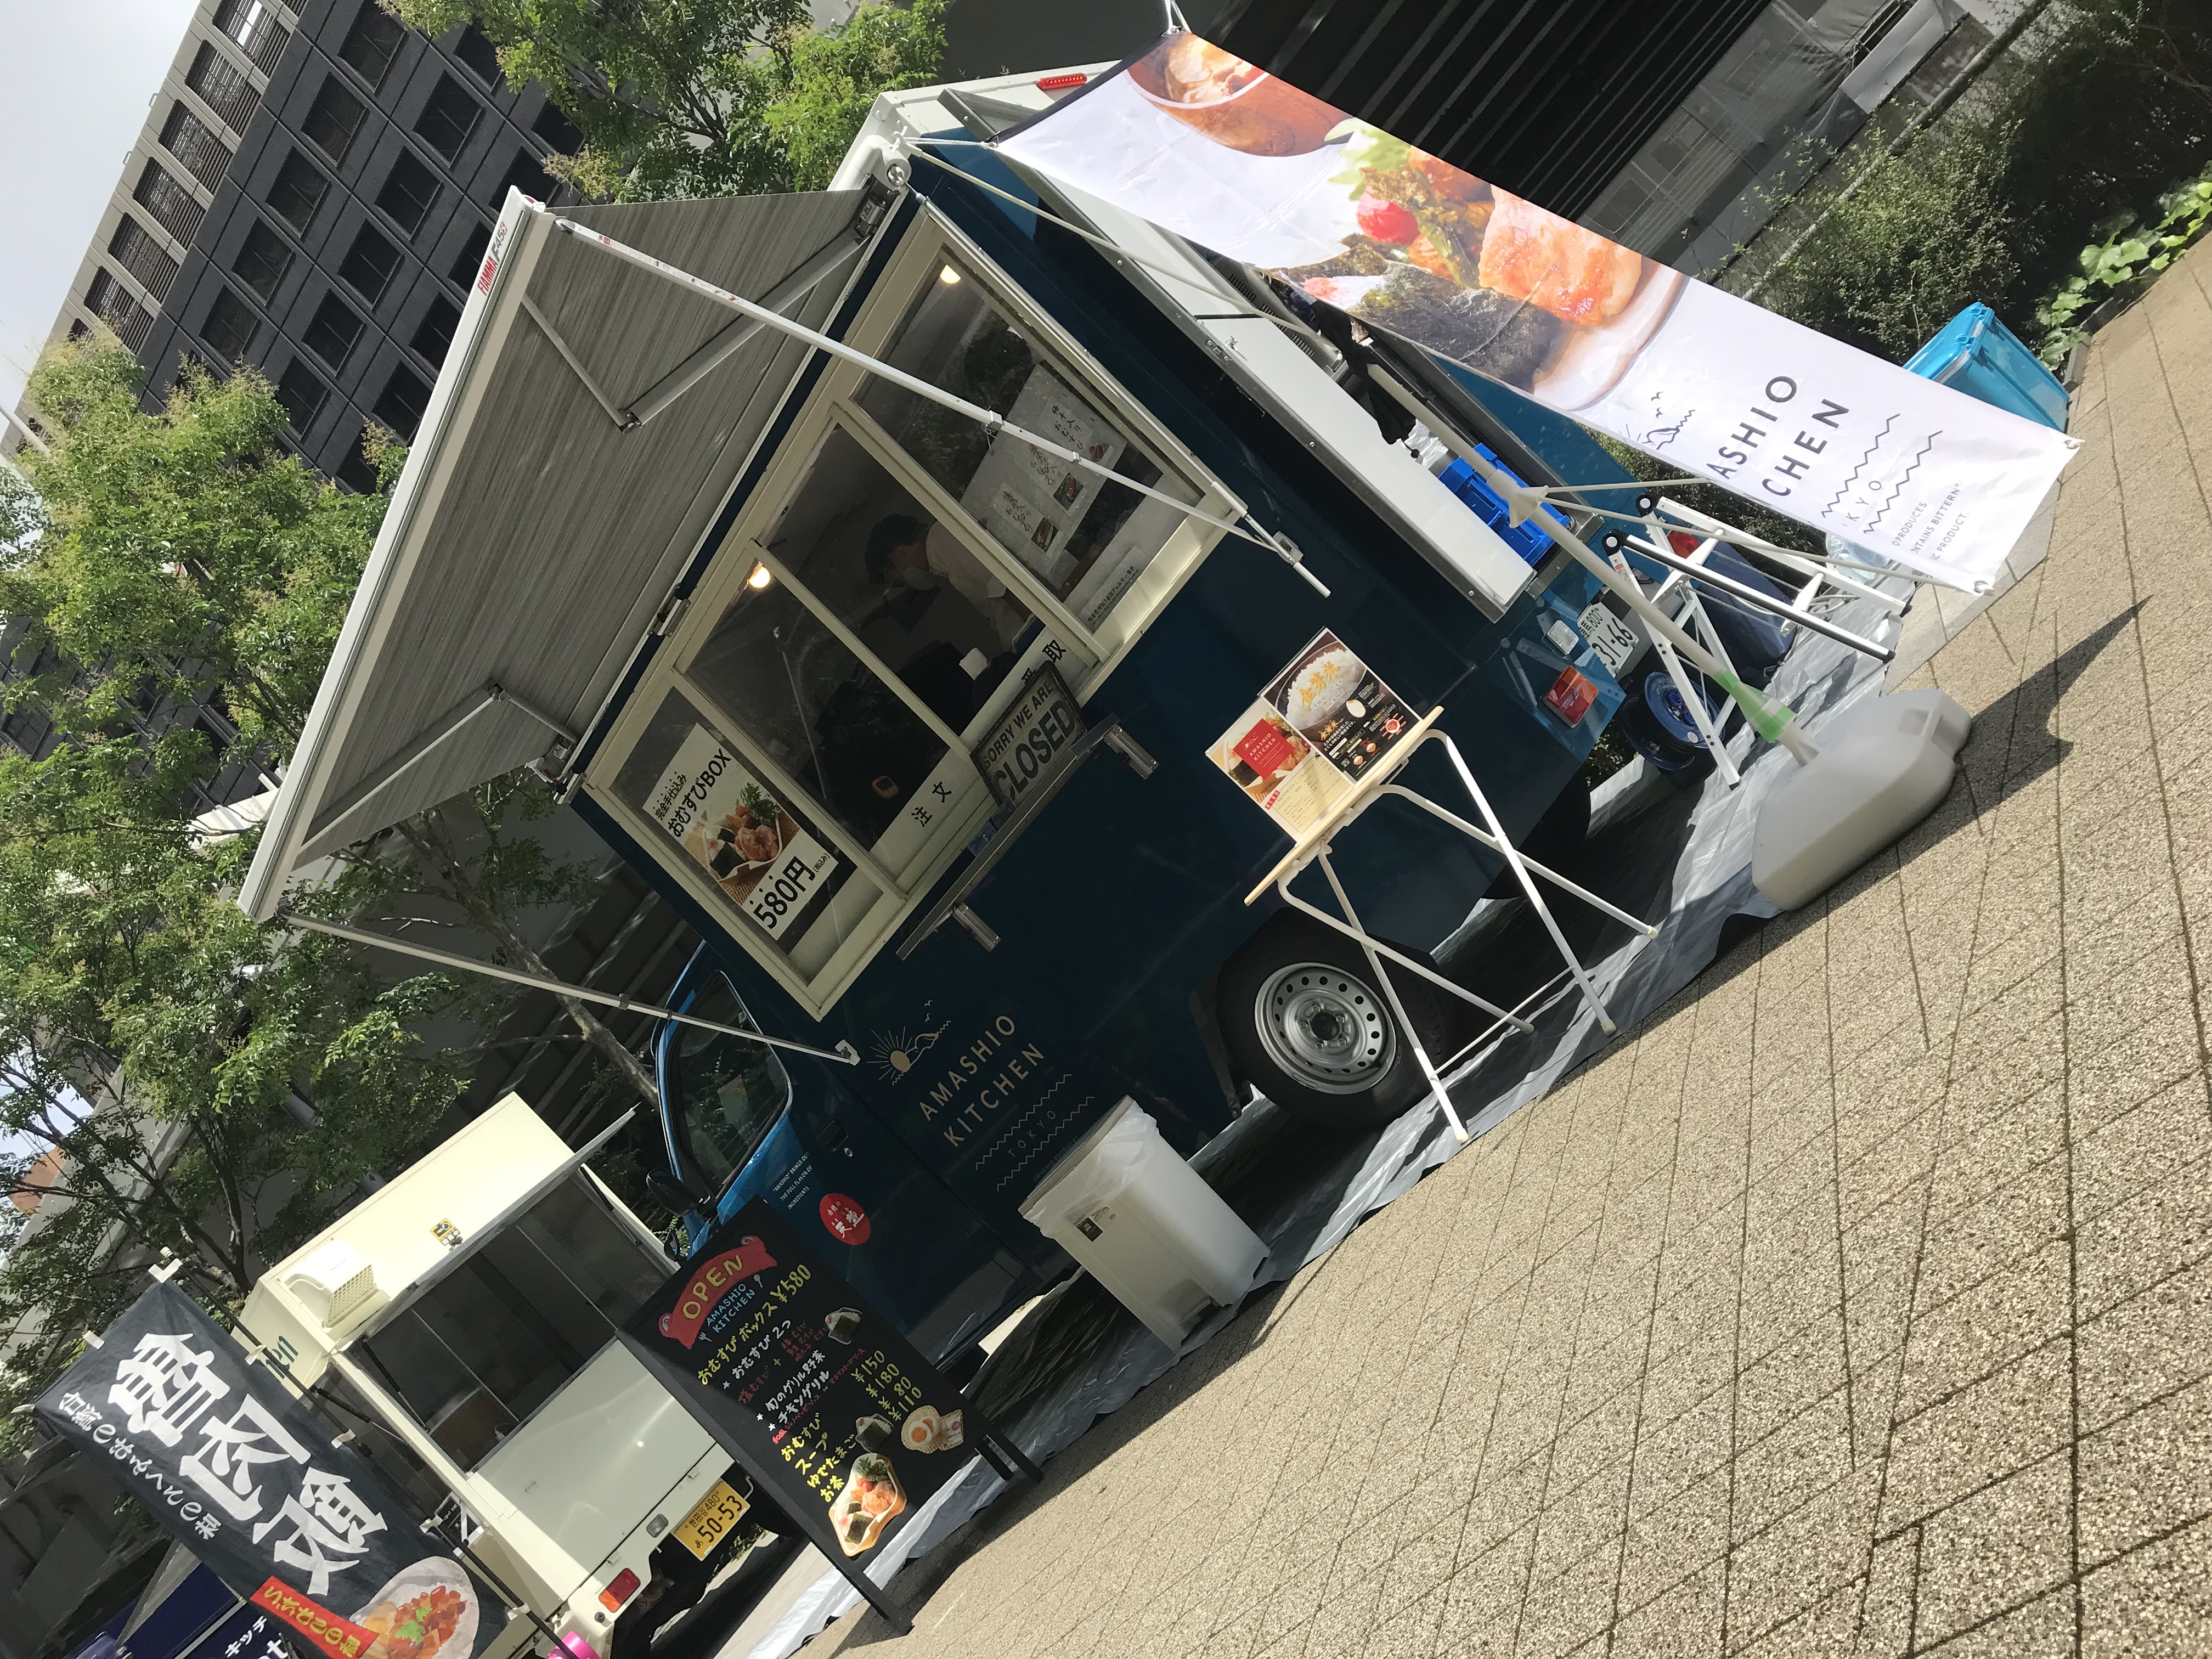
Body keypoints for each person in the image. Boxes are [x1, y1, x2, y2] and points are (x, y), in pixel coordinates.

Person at [864, 512, 1030, 651]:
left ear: (899, 557)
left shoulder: (942, 540)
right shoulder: (940, 558)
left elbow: (1003, 584)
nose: (905, 584)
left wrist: (1037, 630)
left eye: (897, 580)